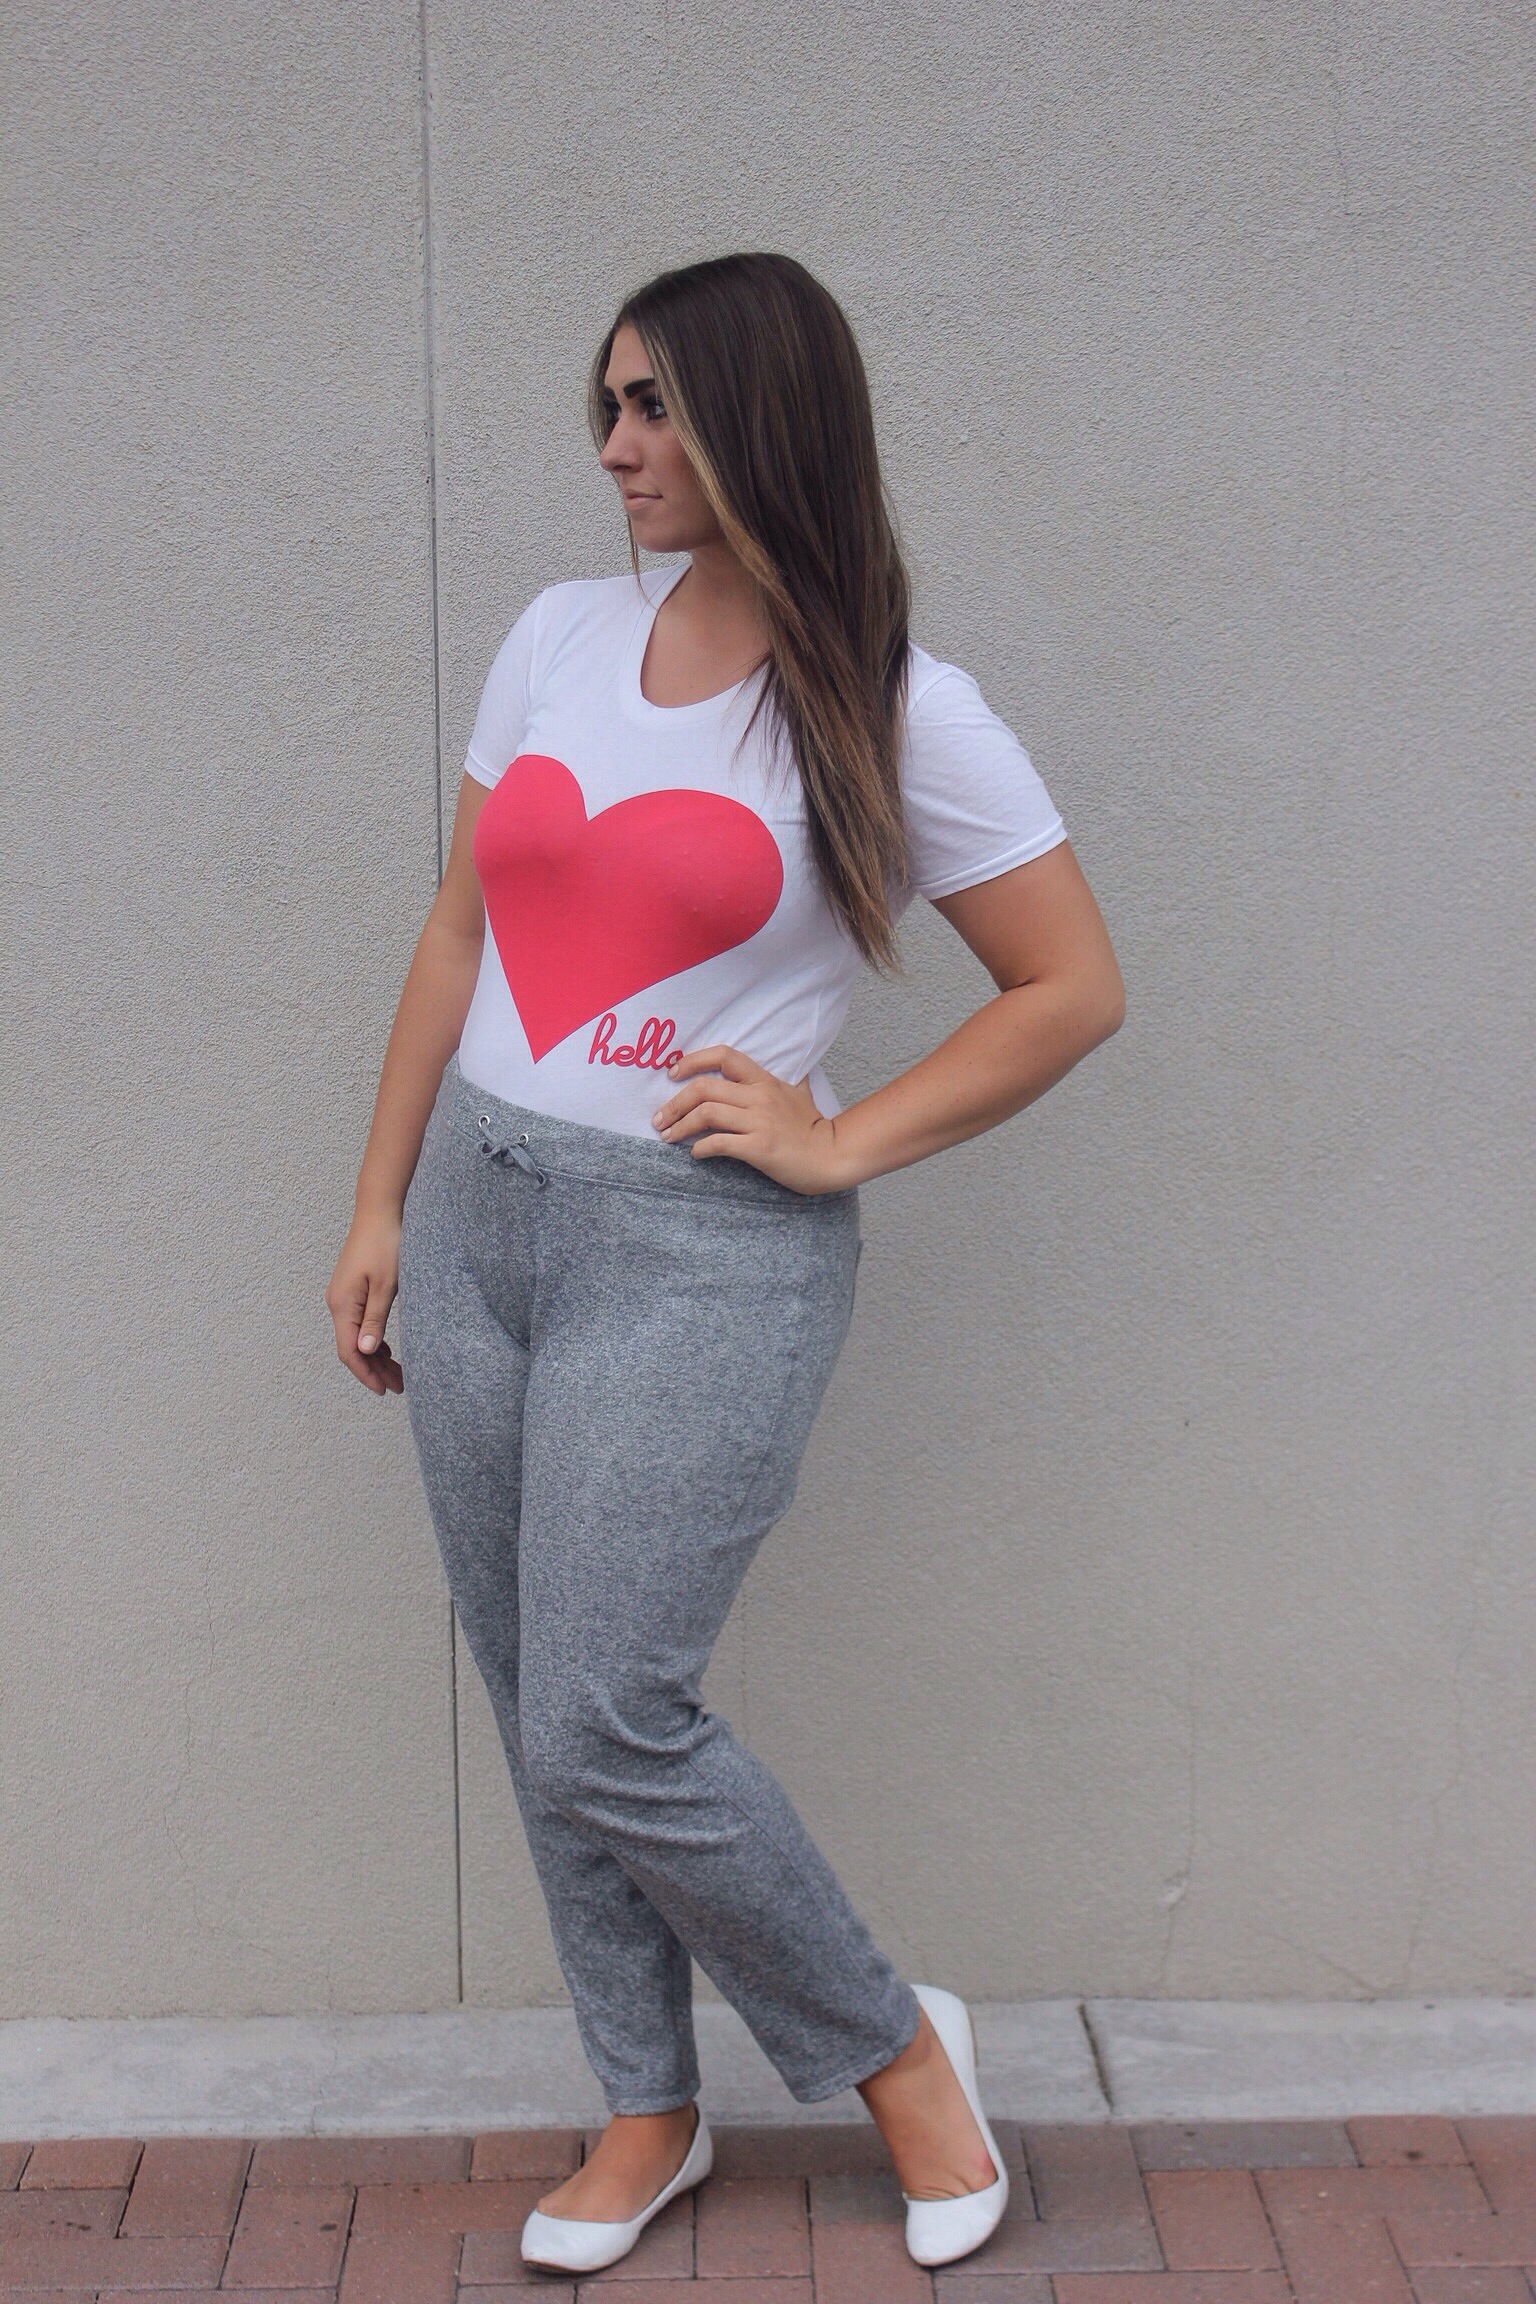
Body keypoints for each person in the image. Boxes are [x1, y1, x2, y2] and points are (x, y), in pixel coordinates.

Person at [325, 250, 1124, 2275]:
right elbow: (457, 928)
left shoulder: (896, 703)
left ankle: (897, 2058)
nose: (613, 448)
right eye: (604, 405)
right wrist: (381, 1199)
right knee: (538, 1698)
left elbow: (1069, 985)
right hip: (480, 1220)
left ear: (765, 417)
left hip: (698, 1255)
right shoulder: (557, 638)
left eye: (653, 405)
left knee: (611, 1712)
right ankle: (647, 2107)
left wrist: (840, 1136)